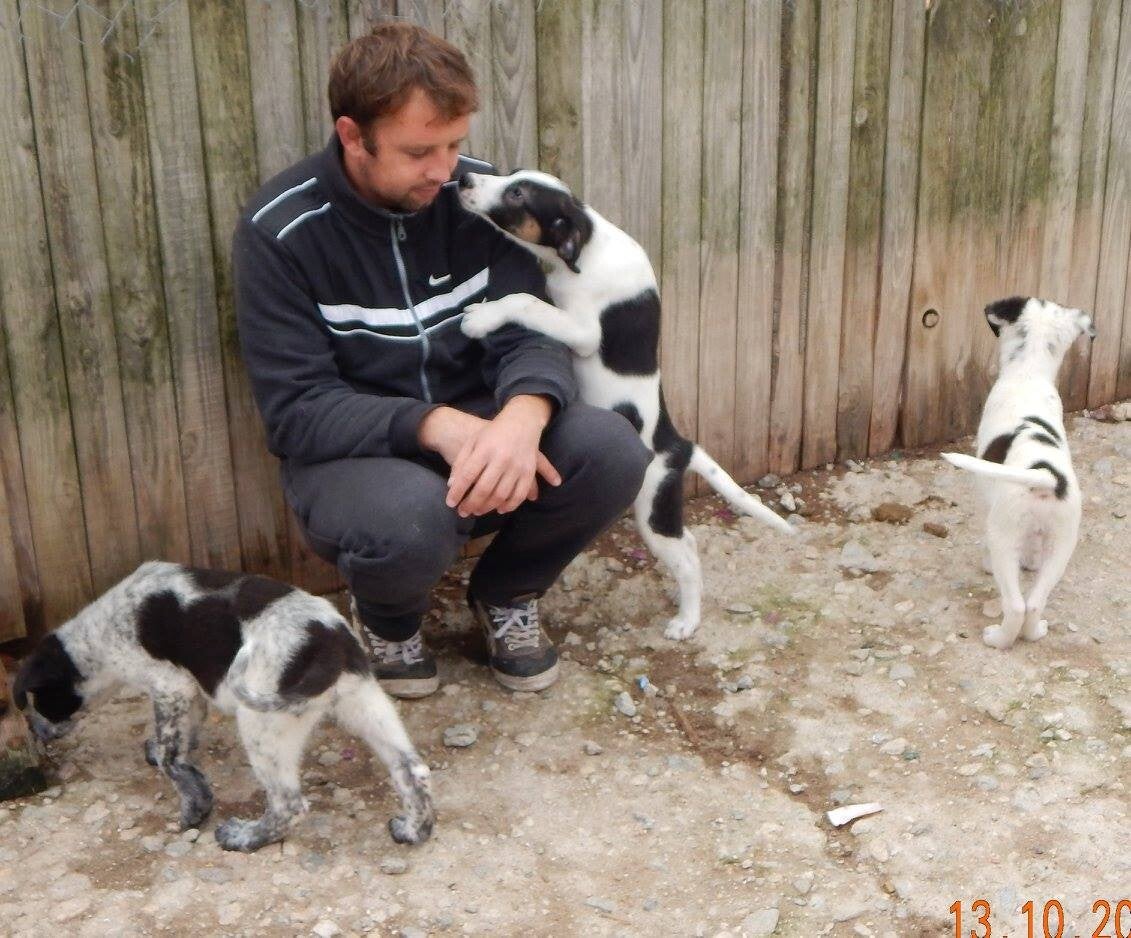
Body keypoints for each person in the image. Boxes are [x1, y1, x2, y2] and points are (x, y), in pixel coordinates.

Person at [232, 22, 649, 699]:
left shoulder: (478, 197)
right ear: (352, 135)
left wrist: (523, 416)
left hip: (487, 426)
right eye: (419, 151)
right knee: (410, 517)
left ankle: (507, 592)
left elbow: (529, 329)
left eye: (455, 144)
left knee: (614, 450)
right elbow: (297, 411)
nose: (445, 170)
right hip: (361, 459)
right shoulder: (279, 231)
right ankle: (389, 622)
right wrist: (437, 426)